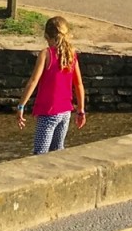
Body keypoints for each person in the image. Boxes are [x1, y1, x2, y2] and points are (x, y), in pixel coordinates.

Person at [15, 16, 86, 155]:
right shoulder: (72, 54)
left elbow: (33, 81)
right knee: (57, 152)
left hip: (48, 113)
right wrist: (81, 110)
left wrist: (21, 106)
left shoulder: (46, 54)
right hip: (65, 112)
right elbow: (78, 84)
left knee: (40, 154)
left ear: (47, 36)